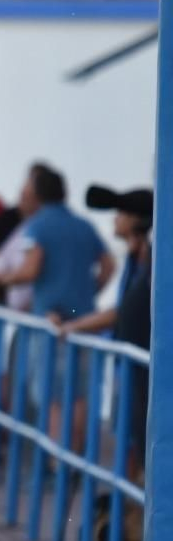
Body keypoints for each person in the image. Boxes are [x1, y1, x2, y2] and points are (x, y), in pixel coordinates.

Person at [0, 163, 116, 441]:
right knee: (80, 394)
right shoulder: (84, 225)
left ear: (37, 194)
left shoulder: (37, 225)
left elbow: (30, 270)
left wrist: (2, 279)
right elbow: (108, 266)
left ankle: (57, 459)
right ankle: (75, 456)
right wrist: (90, 292)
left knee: (53, 396)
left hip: (52, 320)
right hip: (84, 318)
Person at [64, 184, 153, 470]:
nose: (115, 219)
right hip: (128, 362)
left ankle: (132, 493)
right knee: (129, 434)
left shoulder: (151, 258)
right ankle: (128, 491)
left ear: (138, 221)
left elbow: (123, 311)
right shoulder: (136, 257)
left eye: (121, 213)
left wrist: (74, 325)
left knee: (138, 433)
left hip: (140, 365)